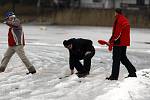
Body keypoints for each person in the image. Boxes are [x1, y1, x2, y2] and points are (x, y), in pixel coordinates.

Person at [106, 8, 137, 80]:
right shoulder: (124, 19)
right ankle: (132, 71)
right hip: (124, 42)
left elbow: (117, 33)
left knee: (116, 59)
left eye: (114, 13)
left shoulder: (118, 20)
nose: (114, 14)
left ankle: (114, 76)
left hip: (119, 43)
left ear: (116, 13)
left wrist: (111, 41)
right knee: (123, 58)